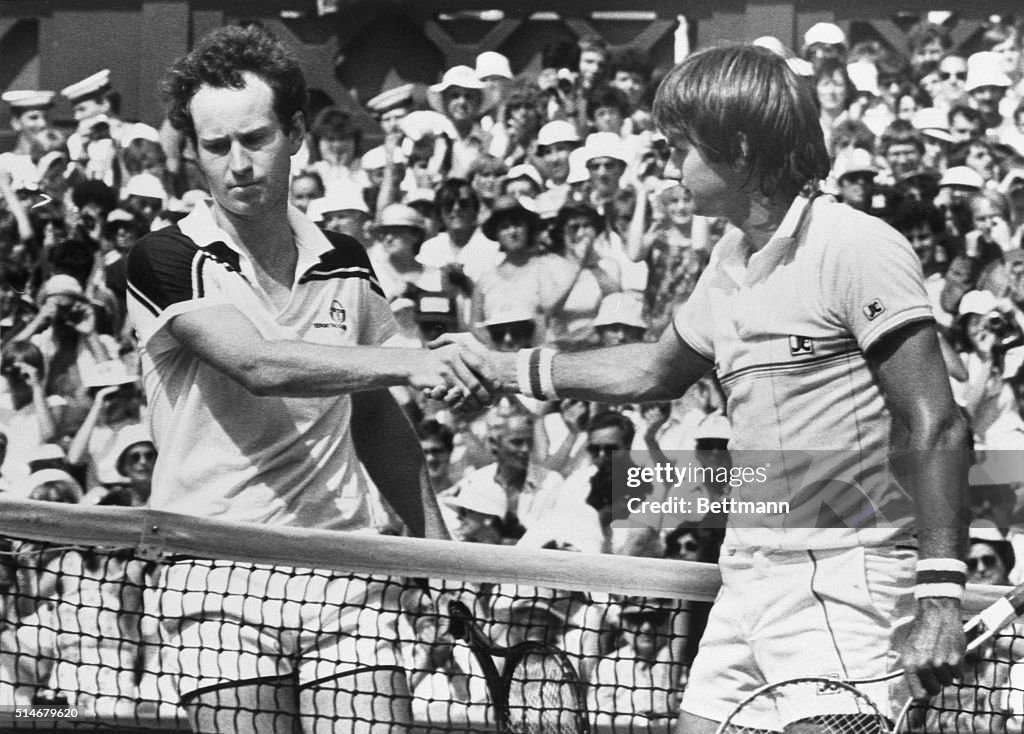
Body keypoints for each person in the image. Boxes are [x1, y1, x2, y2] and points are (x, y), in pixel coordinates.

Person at [436, 43, 970, 732]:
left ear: (739, 149)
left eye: (680, 147)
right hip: (748, 569)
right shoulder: (728, 259)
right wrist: (503, 367)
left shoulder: (856, 246)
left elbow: (940, 423)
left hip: (846, 574)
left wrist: (940, 599)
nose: (669, 166)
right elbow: (651, 372)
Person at [124, 24, 488, 734]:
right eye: (216, 146)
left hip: (346, 568)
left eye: (255, 139)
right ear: (194, 154)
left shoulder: (347, 260)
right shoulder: (163, 257)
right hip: (215, 578)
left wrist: (437, 555)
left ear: (295, 134)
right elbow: (259, 364)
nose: (238, 165)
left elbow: (376, 415)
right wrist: (421, 359)